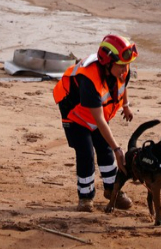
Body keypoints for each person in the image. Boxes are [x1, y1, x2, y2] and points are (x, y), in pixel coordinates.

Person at [53, 34, 138, 212]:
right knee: (86, 153)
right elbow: (98, 120)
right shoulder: (89, 80)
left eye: (126, 66)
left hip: (97, 115)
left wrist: (126, 105)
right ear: (107, 62)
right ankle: (85, 198)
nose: (125, 70)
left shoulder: (122, 67)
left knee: (105, 150)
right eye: (121, 66)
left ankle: (112, 190)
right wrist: (118, 149)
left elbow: (123, 85)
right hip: (75, 117)